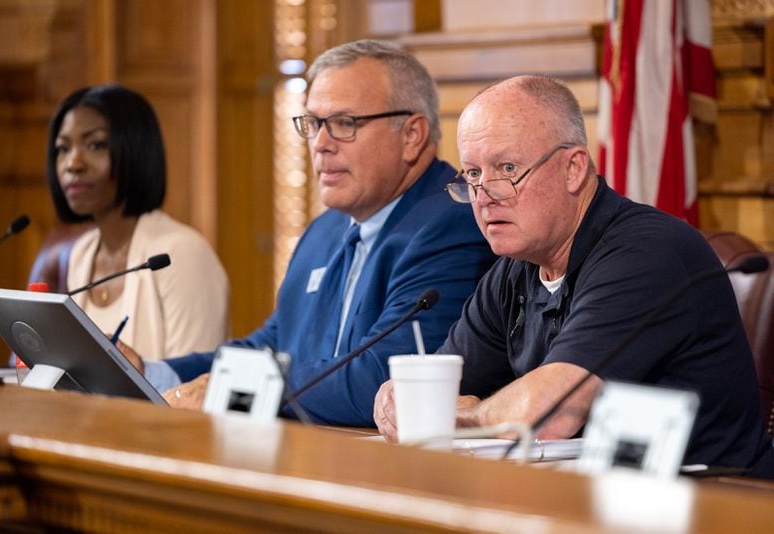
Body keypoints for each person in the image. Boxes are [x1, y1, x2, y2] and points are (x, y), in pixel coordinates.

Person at [374, 75, 774, 478]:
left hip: (715, 502)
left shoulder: (649, 253)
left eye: (507, 168)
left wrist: (458, 414)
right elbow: (438, 387)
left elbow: (550, 413)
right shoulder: (513, 269)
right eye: (473, 174)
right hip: (587, 500)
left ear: (573, 169)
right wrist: (400, 399)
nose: (483, 195)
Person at [133, 39, 496, 426]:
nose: (320, 144)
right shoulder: (325, 229)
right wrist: (153, 374)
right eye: (314, 124)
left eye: (344, 124)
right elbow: (273, 345)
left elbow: (386, 379)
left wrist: (238, 387)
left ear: (411, 135)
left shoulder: (453, 223)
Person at [45, 84, 229, 361]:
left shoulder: (180, 254)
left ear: (135, 150)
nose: (73, 163)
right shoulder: (82, 252)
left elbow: (192, 384)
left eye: (95, 145)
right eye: (63, 148)